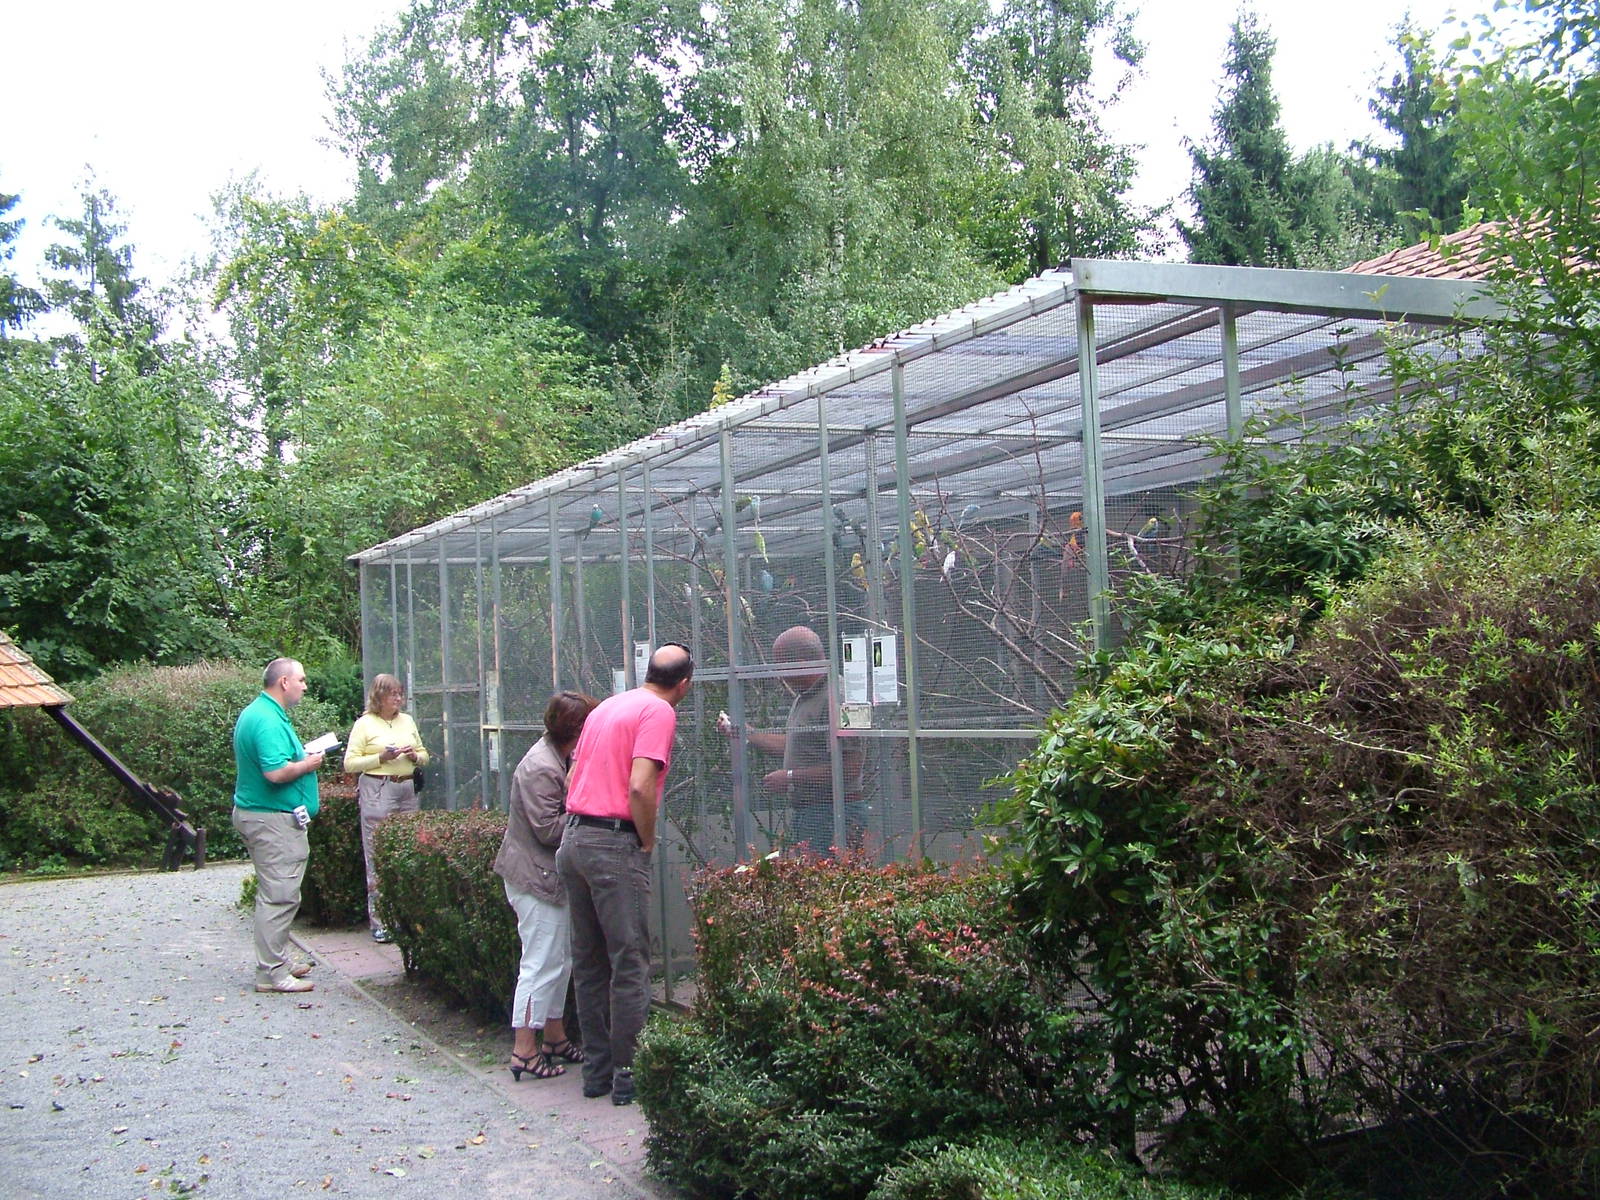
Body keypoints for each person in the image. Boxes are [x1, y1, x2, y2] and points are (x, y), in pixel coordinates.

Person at [556, 643, 694, 1106]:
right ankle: (629, 1076)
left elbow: (574, 772)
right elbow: (639, 785)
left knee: (589, 960)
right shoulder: (659, 712)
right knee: (630, 961)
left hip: (573, 839)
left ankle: (595, 1074)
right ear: (684, 685)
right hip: (612, 843)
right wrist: (647, 838)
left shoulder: (609, 706)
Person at [491, 690, 598, 1081]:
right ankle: (524, 1050)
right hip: (535, 880)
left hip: (550, 878)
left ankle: (554, 1037)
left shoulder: (561, 756)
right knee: (539, 964)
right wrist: (585, 802)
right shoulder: (541, 767)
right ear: (578, 729)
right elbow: (547, 829)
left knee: (560, 959)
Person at [718, 625, 864, 856]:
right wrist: (747, 734)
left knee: (828, 886)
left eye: (781, 663)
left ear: (802, 661)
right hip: (812, 813)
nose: (778, 671)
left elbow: (851, 767)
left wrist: (790, 777)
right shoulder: (807, 696)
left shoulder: (841, 696)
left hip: (836, 813)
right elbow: (797, 746)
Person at [232, 657, 324, 994]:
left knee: (276, 893)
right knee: (279, 897)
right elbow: (274, 773)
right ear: (283, 682)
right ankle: (271, 974)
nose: (304, 685)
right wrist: (308, 763)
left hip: (264, 816)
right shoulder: (267, 720)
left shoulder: (260, 712)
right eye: (300, 679)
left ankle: (278, 961)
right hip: (271, 820)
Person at [343, 674, 429, 943]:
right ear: (378, 696)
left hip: (406, 789)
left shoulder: (407, 721)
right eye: (392, 694)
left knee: (410, 849)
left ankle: (408, 917)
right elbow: (350, 763)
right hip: (378, 789)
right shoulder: (364, 724)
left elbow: (425, 754)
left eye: (400, 694)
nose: (398, 699)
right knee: (377, 852)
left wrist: (414, 756)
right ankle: (380, 922)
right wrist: (381, 757)